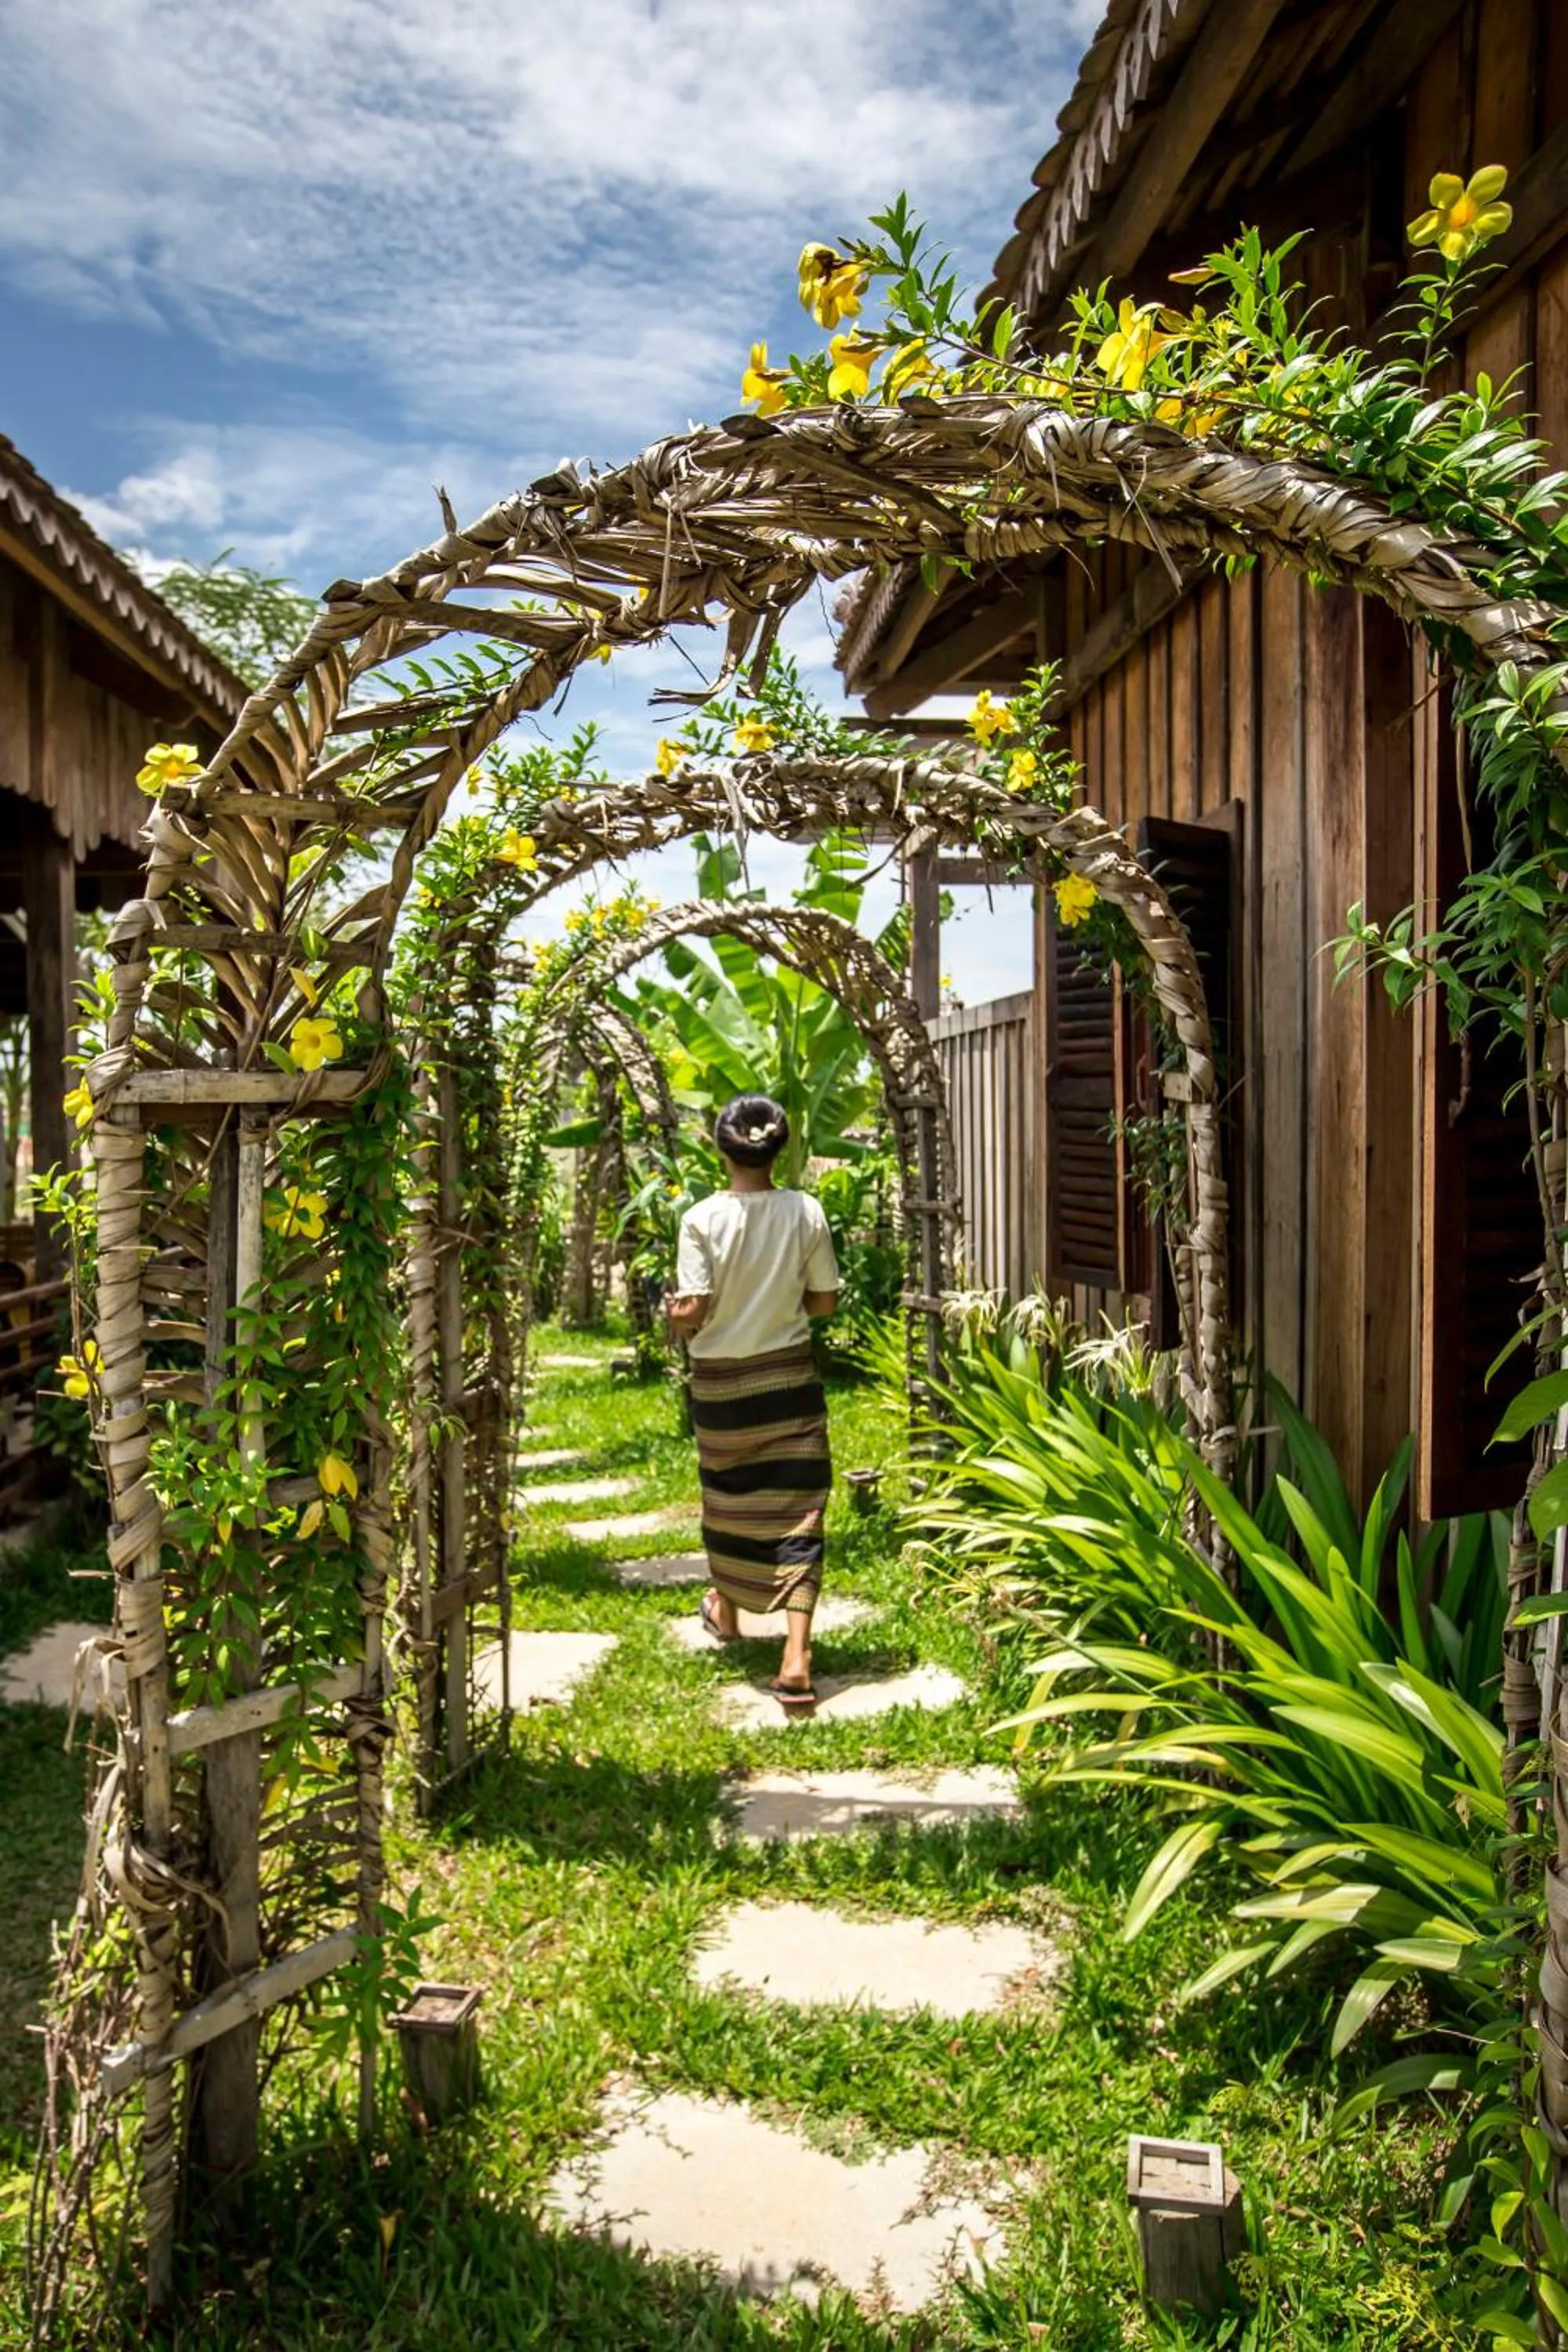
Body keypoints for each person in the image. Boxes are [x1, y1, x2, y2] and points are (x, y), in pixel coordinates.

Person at [666, 1094, 840, 1713]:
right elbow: (823, 1303)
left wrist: (678, 1315)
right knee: (798, 1510)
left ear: (722, 1147)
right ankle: (796, 1658)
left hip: (722, 1389)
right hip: (788, 1381)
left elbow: (695, 1309)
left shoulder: (700, 1220)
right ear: (779, 1147)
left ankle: (728, 1610)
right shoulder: (806, 1210)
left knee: (730, 1500)